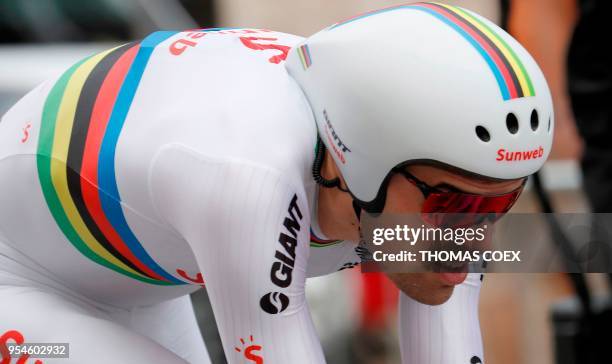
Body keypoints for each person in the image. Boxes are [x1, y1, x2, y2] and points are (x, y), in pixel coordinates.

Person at [0, 3, 552, 363]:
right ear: (360, 156)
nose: (472, 235)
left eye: (503, 200)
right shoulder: (250, 169)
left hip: (145, 284)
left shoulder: (414, 176)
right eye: (451, 201)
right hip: (19, 290)